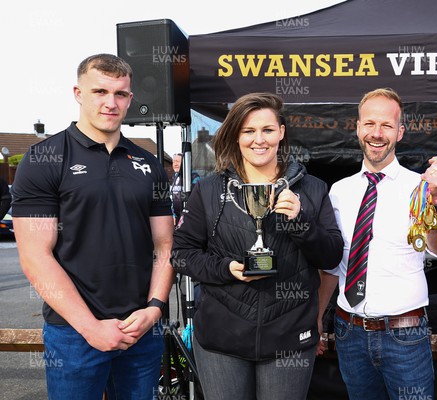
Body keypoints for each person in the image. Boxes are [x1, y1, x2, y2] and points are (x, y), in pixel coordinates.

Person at [10, 54, 174, 399]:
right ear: (78, 92)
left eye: (121, 94)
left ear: (131, 98)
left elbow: (165, 246)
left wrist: (154, 309)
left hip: (141, 329)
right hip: (73, 333)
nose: (111, 103)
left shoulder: (148, 162)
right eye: (100, 91)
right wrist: (91, 328)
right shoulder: (44, 158)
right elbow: (35, 256)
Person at [171, 92, 344, 400]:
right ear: (236, 136)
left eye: (267, 130)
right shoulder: (208, 191)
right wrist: (226, 269)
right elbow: (181, 255)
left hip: (289, 336)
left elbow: (330, 256)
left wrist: (300, 221)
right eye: (248, 131)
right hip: (221, 340)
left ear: (281, 131)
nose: (258, 140)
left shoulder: (313, 189)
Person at [317, 87, 437, 399]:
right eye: (369, 124)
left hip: (404, 333)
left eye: (386, 125)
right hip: (348, 331)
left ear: (400, 132)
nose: (376, 134)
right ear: (357, 127)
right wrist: (316, 315)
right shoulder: (339, 191)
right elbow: (333, 266)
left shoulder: (420, 188)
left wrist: (434, 201)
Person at [171, 152, 183, 224]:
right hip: (176, 216)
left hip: (187, 216)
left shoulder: (192, 176)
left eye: (178, 161)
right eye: (173, 162)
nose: (175, 164)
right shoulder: (174, 177)